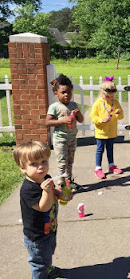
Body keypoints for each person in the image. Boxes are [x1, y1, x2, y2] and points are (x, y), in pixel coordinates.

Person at [14, 141, 69, 278]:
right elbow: (43, 207)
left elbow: (52, 191)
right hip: (36, 236)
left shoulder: (46, 178)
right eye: (34, 164)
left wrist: (59, 194)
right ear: (22, 168)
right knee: (39, 263)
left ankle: (47, 267)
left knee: (48, 253)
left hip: (49, 229)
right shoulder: (28, 189)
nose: (41, 167)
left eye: (44, 161)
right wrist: (46, 192)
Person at [46, 74, 84, 188]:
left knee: (70, 162)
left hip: (72, 138)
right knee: (62, 163)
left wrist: (78, 114)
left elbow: (81, 120)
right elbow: (47, 122)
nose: (66, 95)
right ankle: (60, 184)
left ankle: (69, 182)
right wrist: (62, 121)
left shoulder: (73, 105)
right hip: (60, 140)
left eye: (68, 92)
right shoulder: (54, 107)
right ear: (56, 93)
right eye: (63, 92)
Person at [90, 77, 124, 179]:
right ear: (102, 93)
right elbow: (92, 117)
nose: (110, 98)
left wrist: (119, 113)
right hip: (101, 132)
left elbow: (121, 116)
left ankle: (111, 165)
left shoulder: (115, 102)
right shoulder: (98, 103)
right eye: (108, 96)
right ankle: (98, 168)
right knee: (100, 150)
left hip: (112, 131)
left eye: (112, 96)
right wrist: (101, 120)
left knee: (110, 149)